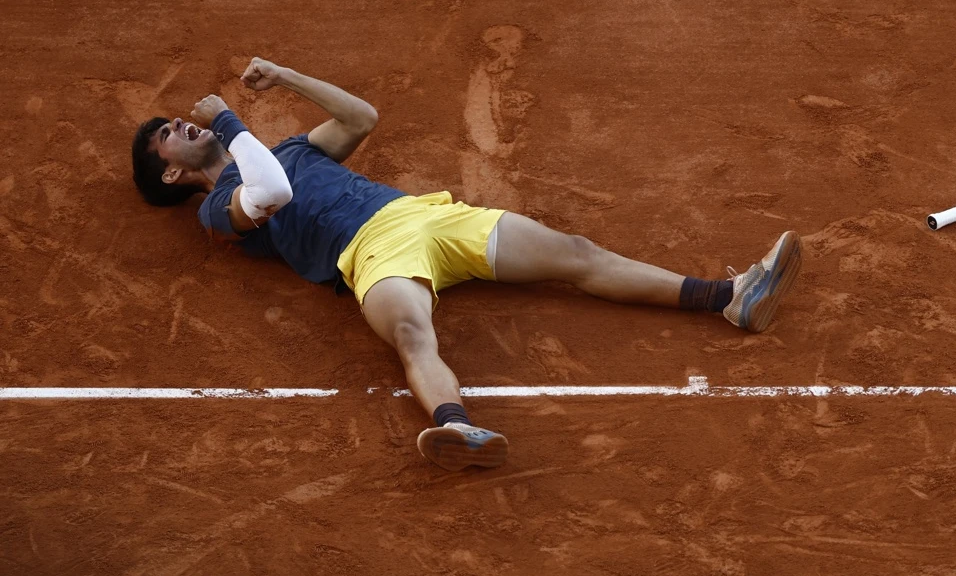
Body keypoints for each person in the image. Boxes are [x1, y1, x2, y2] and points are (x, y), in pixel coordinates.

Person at [130, 58, 803, 471]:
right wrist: (227, 125)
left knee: (575, 253)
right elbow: (268, 193)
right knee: (412, 335)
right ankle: (455, 426)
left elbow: (362, 116)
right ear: (167, 175)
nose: (179, 126)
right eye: (167, 133)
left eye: (177, 121)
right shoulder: (218, 208)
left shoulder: (291, 150)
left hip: (428, 217)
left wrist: (285, 76)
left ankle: (729, 296)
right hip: (369, 253)